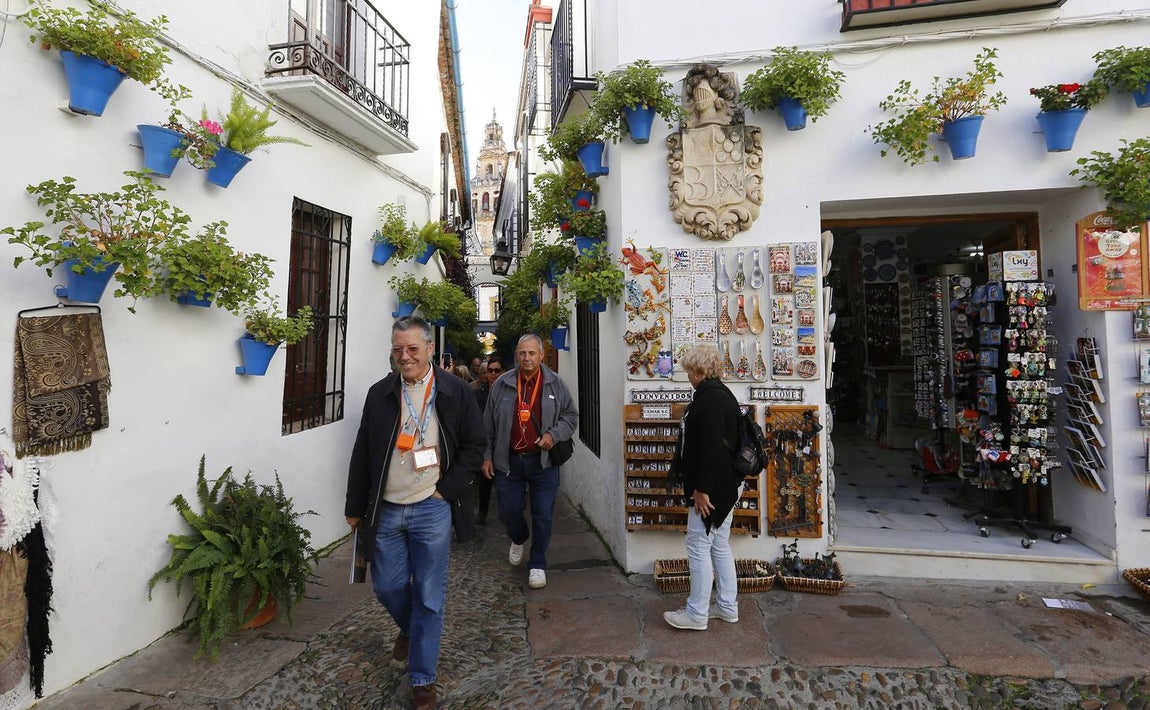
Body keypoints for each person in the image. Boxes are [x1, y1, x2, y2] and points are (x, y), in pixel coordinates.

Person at [345, 315, 485, 710]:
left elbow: (476, 446)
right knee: (387, 587)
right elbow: (362, 451)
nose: (404, 357)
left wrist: (445, 492)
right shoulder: (380, 394)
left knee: (429, 594)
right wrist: (355, 506)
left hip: (431, 507)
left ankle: (422, 678)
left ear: (429, 350)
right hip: (386, 509)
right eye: (397, 350)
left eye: (411, 349)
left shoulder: (456, 392)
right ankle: (409, 628)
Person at [482, 334, 578, 589]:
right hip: (509, 462)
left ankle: (537, 563)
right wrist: (487, 456)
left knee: (543, 514)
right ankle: (519, 537)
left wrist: (553, 435)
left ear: (541, 355)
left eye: (532, 353)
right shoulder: (502, 384)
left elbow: (571, 416)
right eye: (522, 353)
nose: (526, 358)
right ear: (516, 354)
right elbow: (488, 424)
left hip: (543, 463)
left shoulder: (555, 383)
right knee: (508, 511)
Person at [663, 343, 743, 631]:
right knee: (719, 545)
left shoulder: (709, 400)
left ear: (698, 371)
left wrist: (702, 489)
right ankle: (727, 607)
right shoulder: (723, 395)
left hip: (713, 488)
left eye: (689, 371)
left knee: (698, 545)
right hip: (728, 484)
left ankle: (696, 613)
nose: (688, 376)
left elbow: (712, 450)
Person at [471, 356, 502, 524]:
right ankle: (482, 511)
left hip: (504, 443)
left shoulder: (510, 392)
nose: (493, 374)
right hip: (484, 444)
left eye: (497, 370)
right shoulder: (477, 393)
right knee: (484, 480)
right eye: (490, 371)